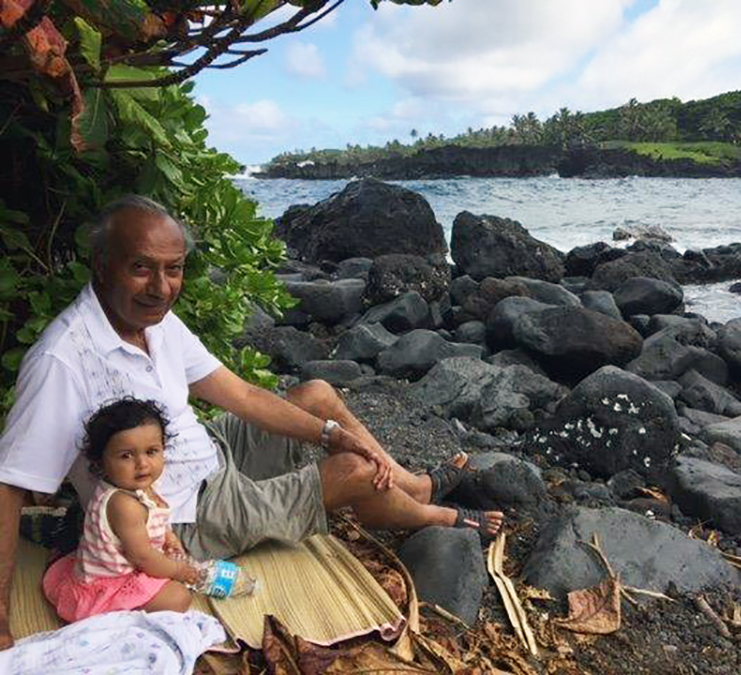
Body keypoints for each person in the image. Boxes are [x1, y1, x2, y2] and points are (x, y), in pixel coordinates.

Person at [0, 195, 502, 649]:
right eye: (141, 268)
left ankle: (411, 486)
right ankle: (434, 515)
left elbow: (240, 395)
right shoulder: (62, 360)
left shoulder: (155, 322)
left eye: (174, 269)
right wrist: (1, 621)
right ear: (101, 264)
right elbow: (9, 486)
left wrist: (330, 433)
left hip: (207, 452)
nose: (161, 287)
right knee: (354, 470)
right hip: (185, 513)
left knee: (317, 396)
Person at [43, 398, 200, 621]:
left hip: (131, 561)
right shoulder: (123, 505)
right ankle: (116, 616)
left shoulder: (139, 485)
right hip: (110, 583)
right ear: (100, 462)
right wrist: (177, 571)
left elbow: (150, 524)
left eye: (151, 451)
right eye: (126, 455)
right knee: (179, 597)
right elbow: (142, 557)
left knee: (170, 574)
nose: (142, 463)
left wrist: (168, 536)